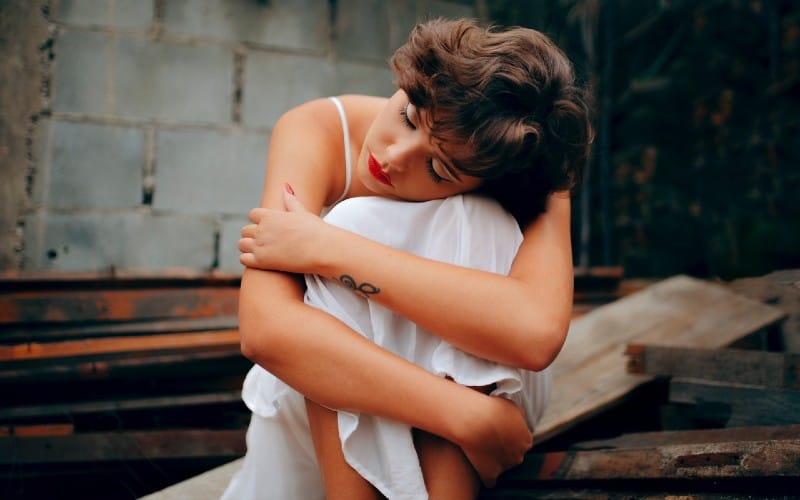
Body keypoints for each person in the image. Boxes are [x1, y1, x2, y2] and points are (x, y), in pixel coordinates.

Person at [227, 17, 592, 499]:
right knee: (355, 219)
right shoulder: (316, 128)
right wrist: (464, 414)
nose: (395, 155)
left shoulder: (521, 159)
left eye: (438, 169)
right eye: (408, 116)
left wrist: (327, 248)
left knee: (467, 219)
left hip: (497, 388)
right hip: (328, 404)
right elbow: (265, 331)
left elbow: (534, 334)